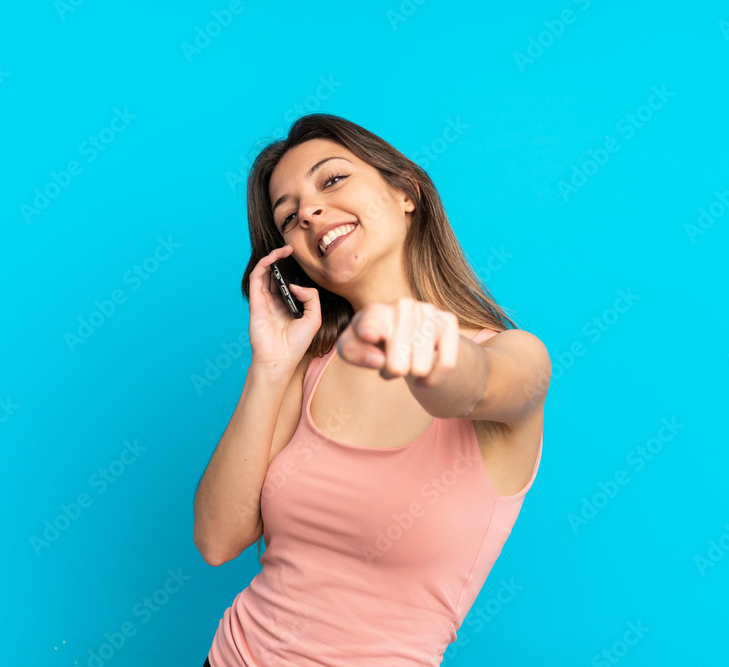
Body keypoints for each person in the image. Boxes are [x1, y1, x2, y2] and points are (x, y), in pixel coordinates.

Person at [194, 113, 550, 666]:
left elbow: (469, 388)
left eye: (331, 180)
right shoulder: (308, 368)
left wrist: (419, 341)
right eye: (288, 216)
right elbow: (218, 540)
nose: (308, 211)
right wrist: (270, 366)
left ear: (405, 192)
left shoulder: (516, 355)